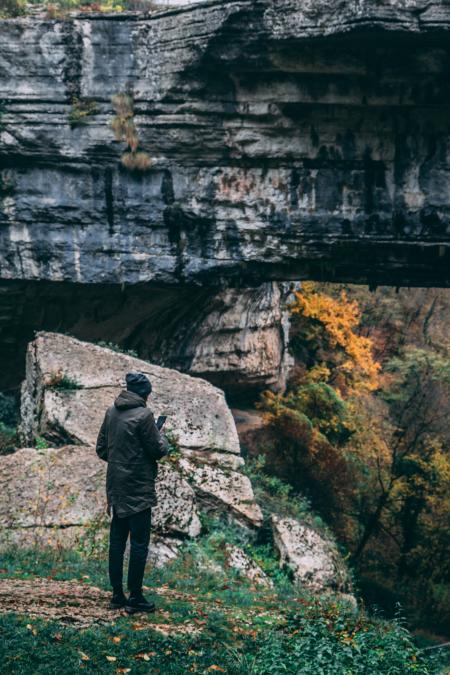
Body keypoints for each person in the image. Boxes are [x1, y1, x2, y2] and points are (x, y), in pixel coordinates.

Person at [96, 372, 168, 613]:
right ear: (143, 393)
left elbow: (102, 450)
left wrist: (121, 460)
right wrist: (161, 436)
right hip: (138, 489)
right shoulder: (145, 414)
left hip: (116, 487)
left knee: (117, 542)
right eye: (148, 392)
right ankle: (136, 597)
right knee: (139, 543)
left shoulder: (111, 412)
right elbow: (158, 450)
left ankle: (117, 595)